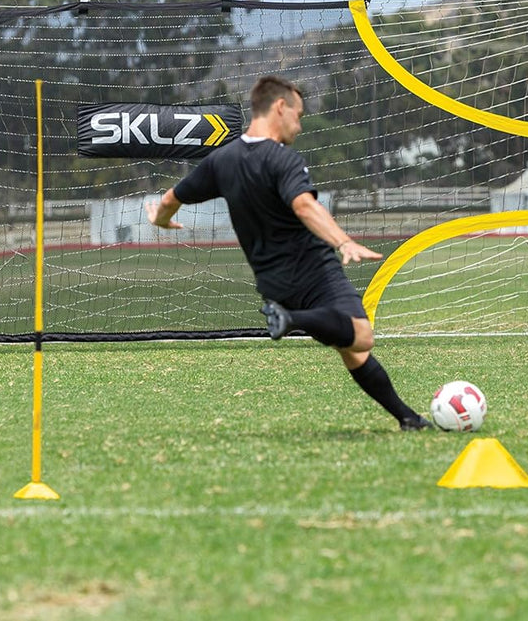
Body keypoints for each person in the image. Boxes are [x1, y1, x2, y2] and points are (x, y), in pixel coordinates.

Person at [146, 75, 433, 431]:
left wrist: (160, 220)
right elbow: (303, 206)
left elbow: (172, 198)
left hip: (272, 283)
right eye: (297, 115)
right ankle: (291, 320)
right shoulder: (283, 159)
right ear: (279, 107)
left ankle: (408, 419)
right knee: (362, 336)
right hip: (314, 270)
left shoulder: (221, 161)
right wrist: (343, 241)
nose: (298, 125)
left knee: (353, 351)